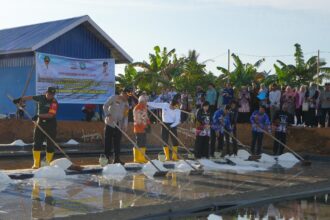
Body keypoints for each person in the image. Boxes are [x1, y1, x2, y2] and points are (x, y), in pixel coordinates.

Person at [13, 87, 58, 169]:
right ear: (46, 92)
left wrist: (38, 115)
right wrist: (20, 99)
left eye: (52, 95)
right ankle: (36, 164)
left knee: (50, 145)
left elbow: (50, 115)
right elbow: (30, 97)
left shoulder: (54, 102)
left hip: (50, 124)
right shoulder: (40, 98)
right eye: (49, 94)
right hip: (40, 123)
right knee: (37, 143)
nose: (50, 96)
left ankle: (47, 164)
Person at [103, 88, 130, 164]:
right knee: (108, 141)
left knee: (117, 142)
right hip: (110, 123)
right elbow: (105, 106)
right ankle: (106, 158)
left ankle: (117, 159)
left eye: (128, 96)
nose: (127, 98)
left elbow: (126, 116)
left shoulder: (126, 104)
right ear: (123, 93)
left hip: (119, 125)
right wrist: (108, 115)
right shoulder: (114, 98)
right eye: (127, 96)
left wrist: (125, 125)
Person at [133, 95, 150, 163]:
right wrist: (144, 127)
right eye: (146, 101)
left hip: (144, 128)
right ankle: (137, 158)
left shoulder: (144, 108)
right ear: (142, 101)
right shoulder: (137, 108)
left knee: (143, 143)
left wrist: (148, 125)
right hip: (138, 128)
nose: (146, 102)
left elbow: (146, 117)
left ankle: (142, 157)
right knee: (139, 143)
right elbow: (138, 121)